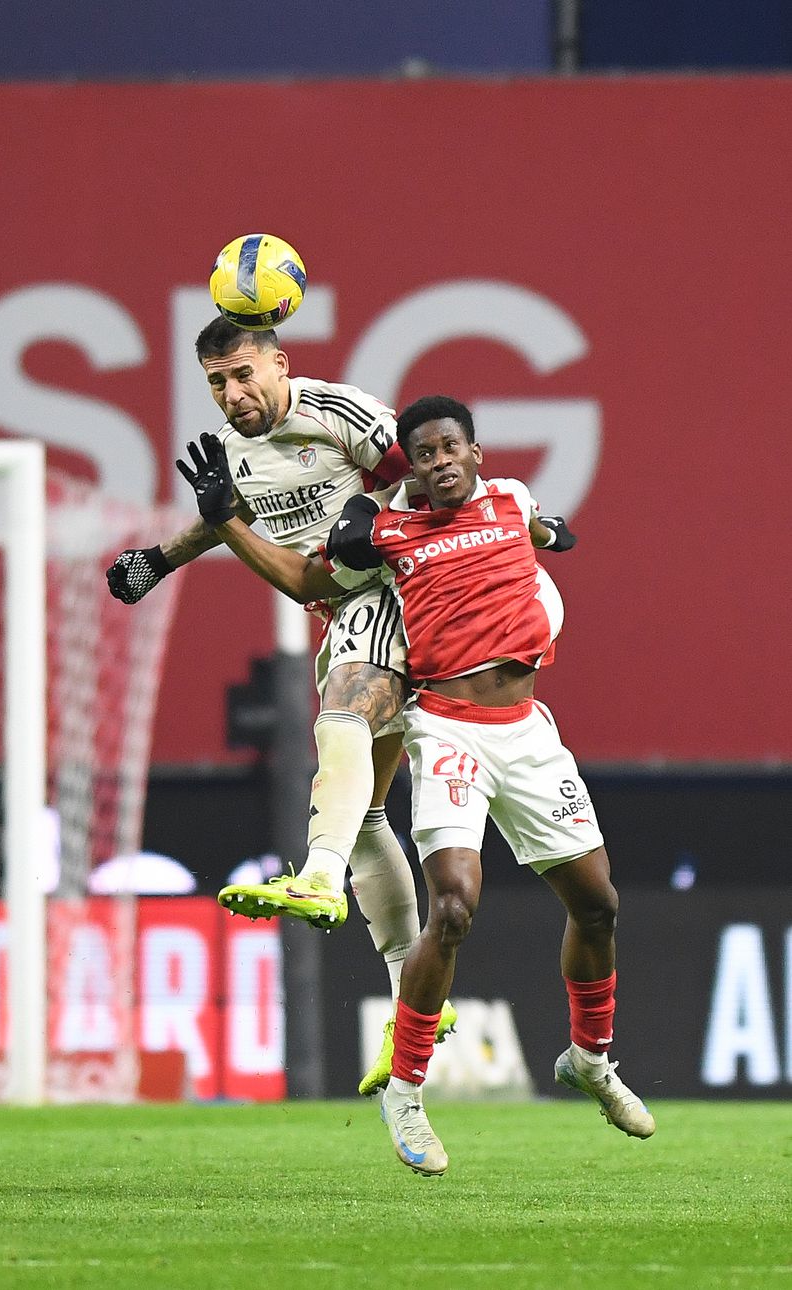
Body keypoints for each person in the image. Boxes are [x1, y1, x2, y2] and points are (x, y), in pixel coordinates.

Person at [196, 394, 656, 1175]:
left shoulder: (513, 499)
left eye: (451, 448)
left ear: (475, 452)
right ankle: (406, 1091)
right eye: (426, 453)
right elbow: (307, 574)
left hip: (529, 734)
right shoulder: (380, 532)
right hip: (445, 730)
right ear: (411, 465)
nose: (440, 462)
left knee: (599, 906)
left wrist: (551, 537)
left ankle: (590, 1059)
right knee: (453, 907)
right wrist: (226, 523)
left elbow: (552, 531)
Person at [105, 317, 456, 1094]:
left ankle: (320, 877)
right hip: (341, 611)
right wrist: (157, 560)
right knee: (362, 807)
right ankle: (415, 1001)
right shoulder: (231, 456)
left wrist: (384, 520)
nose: (234, 395)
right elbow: (227, 517)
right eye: (217, 384)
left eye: (243, 374)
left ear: (278, 363)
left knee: (338, 721)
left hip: (395, 594)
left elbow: (430, 474)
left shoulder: (337, 411)